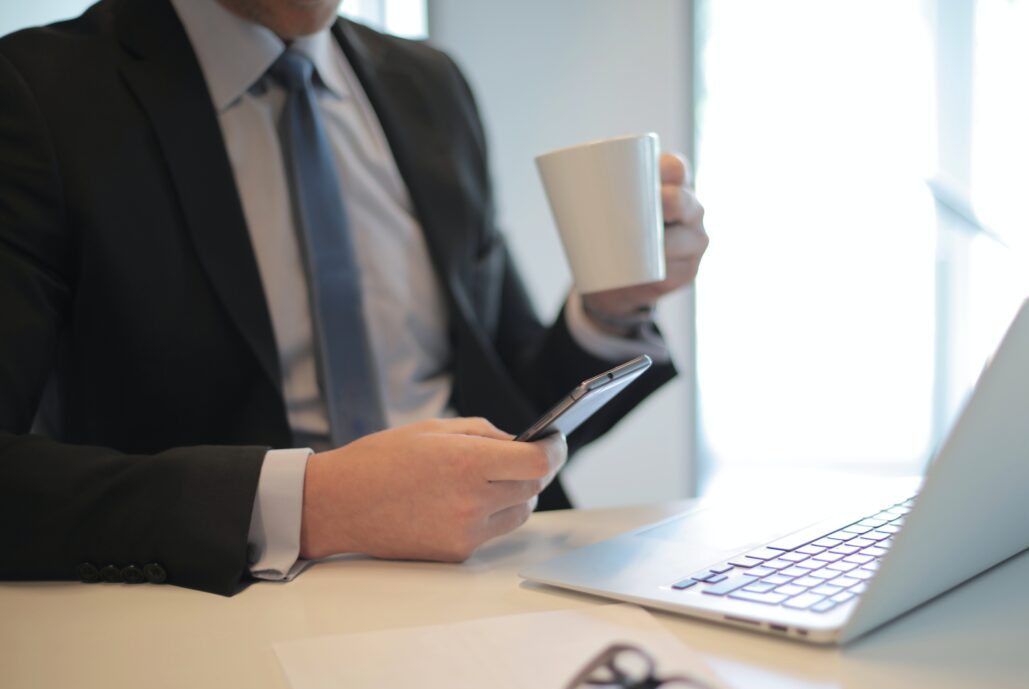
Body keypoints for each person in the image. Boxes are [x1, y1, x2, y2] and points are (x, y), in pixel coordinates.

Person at [0, 0, 707, 595]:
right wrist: (317, 504)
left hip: (497, 584)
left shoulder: (431, 86)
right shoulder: (40, 94)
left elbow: (508, 400)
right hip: (219, 618)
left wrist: (611, 310)